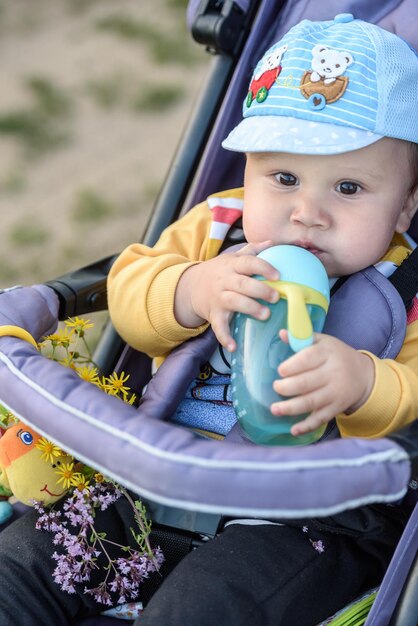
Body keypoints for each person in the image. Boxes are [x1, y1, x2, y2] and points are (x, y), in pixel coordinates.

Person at [0, 13, 417, 626]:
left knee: (205, 608)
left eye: (349, 189)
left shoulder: (404, 285)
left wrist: (362, 381)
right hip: (149, 478)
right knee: (19, 568)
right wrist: (189, 289)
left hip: (295, 519)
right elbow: (131, 289)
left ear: (407, 202)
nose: (308, 213)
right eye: (283, 178)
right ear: (246, 171)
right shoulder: (217, 226)